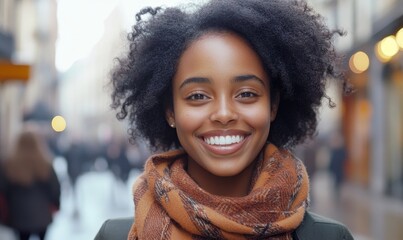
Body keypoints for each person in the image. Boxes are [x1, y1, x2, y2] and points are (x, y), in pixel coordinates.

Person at [96, 0, 354, 239]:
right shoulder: (116, 235)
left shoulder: (328, 237)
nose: (223, 114)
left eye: (246, 94)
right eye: (197, 96)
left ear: (273, 105)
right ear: (170, 111)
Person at [2, 130, 61, 240]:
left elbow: (3, 189)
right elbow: (55, 188)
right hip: (42, 214)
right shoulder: (46, 164)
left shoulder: (9, 164)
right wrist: (56, 205)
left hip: (18, 214)